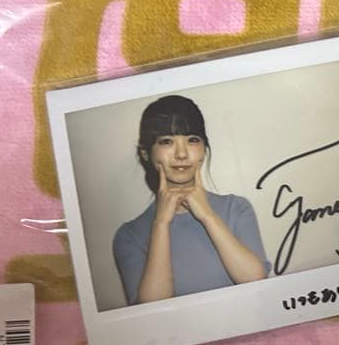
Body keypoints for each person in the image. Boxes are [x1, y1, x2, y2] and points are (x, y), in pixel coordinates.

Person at [113, 95, 269, 306]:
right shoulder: (129, 236)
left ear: (204, 150)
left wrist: (208, 216)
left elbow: (256, 280)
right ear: (146, 153)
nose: (182, 154)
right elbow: (153, 309)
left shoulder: (237, 208)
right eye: (167, 141)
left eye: (192, 140)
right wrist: (161, 224)